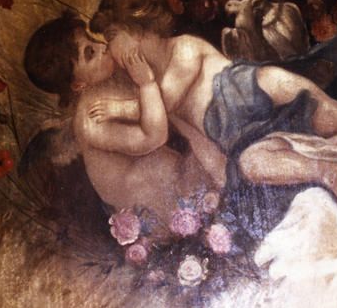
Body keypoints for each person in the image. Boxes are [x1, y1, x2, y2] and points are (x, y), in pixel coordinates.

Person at [88, 0, 337, 222]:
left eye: (112, 39)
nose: (111, 51)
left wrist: (124, 106)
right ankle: (328, 171)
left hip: (261, 91)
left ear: (135, 31)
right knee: (251, 165)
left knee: (332, 116)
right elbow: (198, 139)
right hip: (249, 136)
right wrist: (224, 184)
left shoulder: (183, 48)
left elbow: (166, 98)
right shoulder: (157, 98)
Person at [23, 12, 211, 240]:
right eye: (90, 53)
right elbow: (154, 137)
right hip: (152, 202)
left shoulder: (108, 80)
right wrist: (147, 84)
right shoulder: (90, 118)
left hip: (166, 174)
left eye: (92, 39)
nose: (102, 47)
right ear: (78, 84)